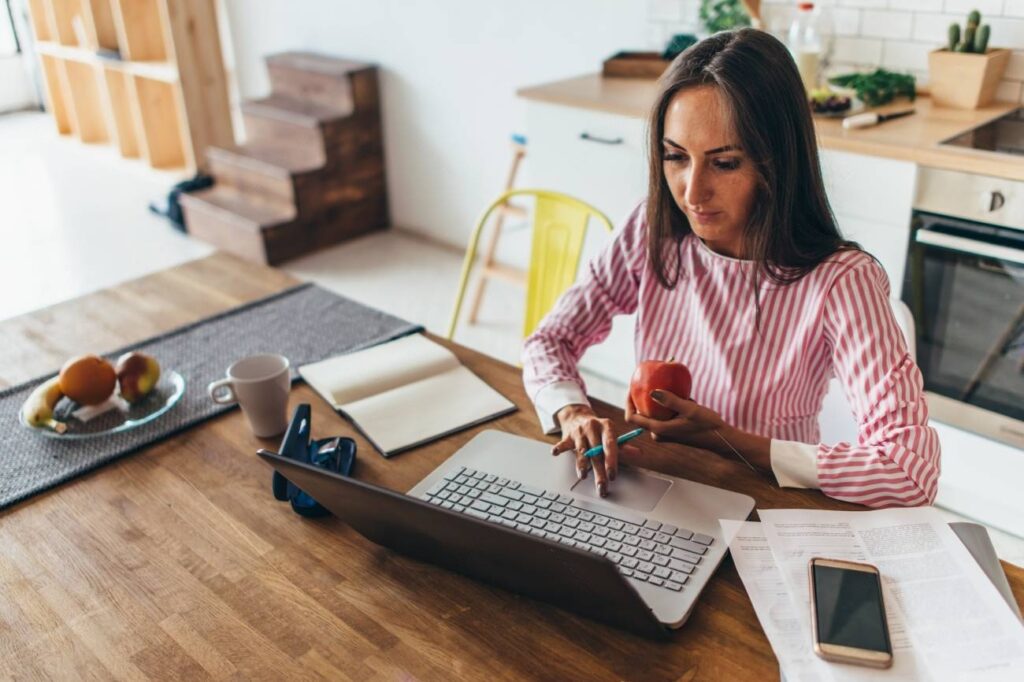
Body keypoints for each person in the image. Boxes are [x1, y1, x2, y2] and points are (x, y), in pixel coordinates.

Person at [521, 29, 940, 508]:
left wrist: (728, 440)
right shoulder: (652, 229)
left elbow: (911, 471)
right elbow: (550, 340)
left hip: (768, 507)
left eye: (724, 163)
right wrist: (571, 410)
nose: (692, 193)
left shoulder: (842, 280)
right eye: (675, 157)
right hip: (657, 488)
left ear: (777, 162)